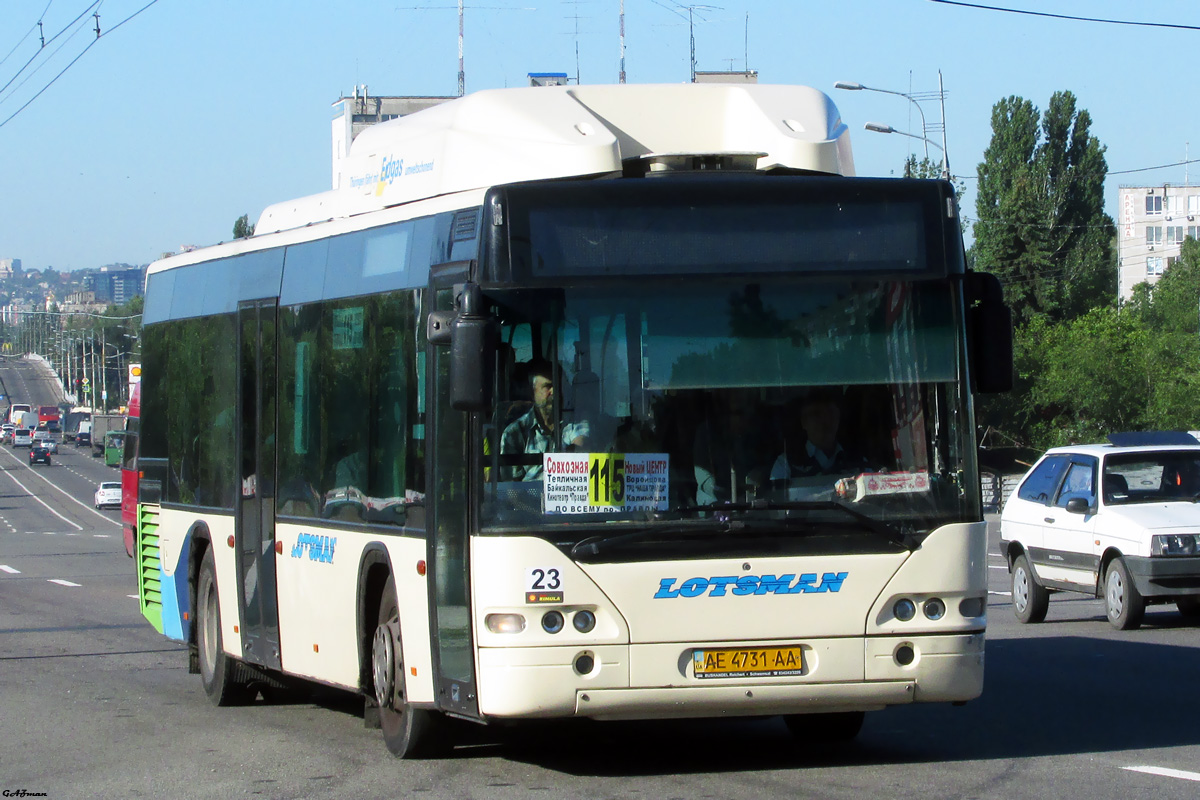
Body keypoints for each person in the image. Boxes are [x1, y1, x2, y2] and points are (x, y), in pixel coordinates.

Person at [499, 361, 589, 481]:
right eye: (548, 386)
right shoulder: (515, 433)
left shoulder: (575, 423)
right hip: (528, 498)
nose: (555, 392)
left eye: (559, 386)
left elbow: (580, 448)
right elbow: (511, 488)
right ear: (532, 393)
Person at [770, 387, 869, 482]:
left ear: (838, 418)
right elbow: (776, 496)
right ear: (804, 422)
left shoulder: (858, 461)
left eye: (830, 413)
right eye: (816, 414)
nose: (824, 420)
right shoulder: (786, 464)